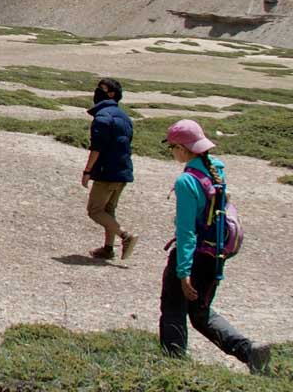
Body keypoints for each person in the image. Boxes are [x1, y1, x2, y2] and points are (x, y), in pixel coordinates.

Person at [160, 119, 271, 375]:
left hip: (194, 256)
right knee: (200, 313)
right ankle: (250, 351)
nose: (172, 152)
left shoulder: (186, 182)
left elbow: (186, 232)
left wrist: (183, 270)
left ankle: (171, 368)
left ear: (182, 148)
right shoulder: (217, 169)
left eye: (172, 147)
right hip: (215, 255)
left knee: (173, 308)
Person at [82, 78, 138, 260]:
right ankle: (108, 248)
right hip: (123, 171)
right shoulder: (124, 117)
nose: (97, 91)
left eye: (101, 89)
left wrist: (87, 171)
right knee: (109, 210)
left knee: (95, 210)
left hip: (107, 172)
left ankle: (125, 236)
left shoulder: (103, 117)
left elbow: (97, 147)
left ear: (112, 94)